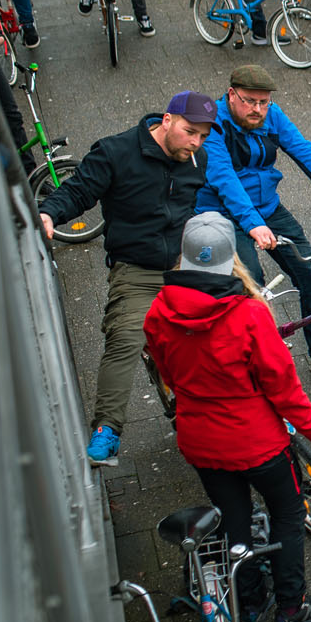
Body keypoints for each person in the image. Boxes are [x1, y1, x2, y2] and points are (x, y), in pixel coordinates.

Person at [143, 212, 311, 622]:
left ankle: (248, 605)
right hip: (258, 443)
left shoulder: (158, 312)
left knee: (235, 519)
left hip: (200, 441)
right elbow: (281, 384)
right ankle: (292, 608)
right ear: (232, 259)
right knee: (287, 515)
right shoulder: (249, 313)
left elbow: (168, 376)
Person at [35, 91, 216, 465]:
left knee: (236, 319)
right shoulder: (116, 153)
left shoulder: (196, 158)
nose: (196, 142)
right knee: (125, 338)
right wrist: (50, 213)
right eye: (189, 132)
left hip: (185, 266)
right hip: (137, 271)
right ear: (166, 120)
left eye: (203, 135)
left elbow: (191, 205)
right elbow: (79, 189)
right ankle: (107, 430)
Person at [196, 65, 311, 365]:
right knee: (251, 285)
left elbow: (304, 152)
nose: (258, 109)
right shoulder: (214, 126)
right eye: (249, 101)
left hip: (267, 208)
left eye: (264, 102)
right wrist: (254, 225)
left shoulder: (272, 116)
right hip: (224, 214)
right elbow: (225, 180)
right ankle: (258, 361)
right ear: (231, 94)